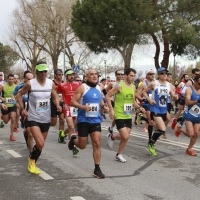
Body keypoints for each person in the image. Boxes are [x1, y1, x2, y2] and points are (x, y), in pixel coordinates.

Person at [17, 62, 62, 175]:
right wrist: (22, 109)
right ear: (36, 72)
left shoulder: (50, 83)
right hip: (33, 117)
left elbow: (54, 96)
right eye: (41, 71)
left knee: (40, 144)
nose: (43, 73)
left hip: (45, 118)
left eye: (45, 71)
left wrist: (57, 105)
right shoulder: (30, 84)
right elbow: (19, 94)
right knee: (40, 143)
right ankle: (32, 162)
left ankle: (32, 158)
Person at [70, 68, 109, 178]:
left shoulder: (100, 87)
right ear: (86, 77)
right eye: (92, 74)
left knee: (96, 142)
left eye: (96, 74)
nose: (94, 76)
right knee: (82, 146)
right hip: (83, 120)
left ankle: (97, 169)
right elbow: (72, 102)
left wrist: (104, 106)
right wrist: (83, 107)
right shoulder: (82, 88)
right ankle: (73, 140)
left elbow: (100, 99)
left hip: (96, 120)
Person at [106, 68, 145, 163]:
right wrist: (111, 109)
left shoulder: (133, 87)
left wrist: (139, 108)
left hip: (128, 115)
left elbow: (132, 102)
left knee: (126, 137)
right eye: (131, 75)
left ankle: (119, 154)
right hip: (119, 114)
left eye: (134, 76)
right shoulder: (119, 86)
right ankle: (111, 137)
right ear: (126, 75)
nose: (132, 78)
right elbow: (108, 96)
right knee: (126, 136)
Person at [143, 67, 177, 156]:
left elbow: (172, 96)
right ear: (159, 75)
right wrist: (150, 100)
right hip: (155, 109)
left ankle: (151, 143)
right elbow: (144, 92)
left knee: (158, 130)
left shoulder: (169, 85)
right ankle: (151, 144)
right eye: (162, 73)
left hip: (164, 109)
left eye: (166, 73)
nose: (164, 74)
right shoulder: (154, 84)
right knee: (163, 129)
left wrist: (175, 97)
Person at [56, 69, 81, 155]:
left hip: (75, 107)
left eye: (73, 75)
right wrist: (59, 99)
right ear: (66, 76)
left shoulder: (77, 84)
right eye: (70, 75)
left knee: (73, 126)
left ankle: (62, 134)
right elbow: (54, 93)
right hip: (67, 107)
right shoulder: (62, 85)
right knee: (71, 126)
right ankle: (73, 145)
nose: (72, 76)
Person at [176, 75, 200, 156]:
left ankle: (189, 149)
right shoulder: (189, 90)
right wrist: (197, 101)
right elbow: (187, 102)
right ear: (195, 81)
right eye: (199, 83)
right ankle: (180, 128)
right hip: (189, 114)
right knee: (191, 134)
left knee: (196, 134)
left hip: (198, 115)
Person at [13, 70, 34, 151]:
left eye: (32, 79)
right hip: (24, 111)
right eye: (29, 79)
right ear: (24, 79)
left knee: (29, 132)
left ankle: (27, 137)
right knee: (30, 133)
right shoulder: (19, 87)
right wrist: (19, 106)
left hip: (34, 112)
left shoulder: (36, 87)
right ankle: (31, 151)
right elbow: (14, 96)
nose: (31, 81)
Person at [135, 69, 155, 141]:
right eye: (150, 74)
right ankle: (150, 139)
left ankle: (141, 117)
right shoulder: (144, 84)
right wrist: (143, 100)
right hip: (146, 103)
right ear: (147, 75)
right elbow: (136, 94)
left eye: (153, 74)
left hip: (153, 104)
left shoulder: (155, 83)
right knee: (150, 121)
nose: (152, 75)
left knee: (153, 121)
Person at [0, 74, 17, 141]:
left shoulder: (16, 87)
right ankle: (4, 116)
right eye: (10, 79)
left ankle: (11, 135)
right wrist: (2, 98)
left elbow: (18, 95)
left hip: (12, 106)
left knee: (13, 119)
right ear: (7, 79)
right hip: (5, 106)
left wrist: (15, 99)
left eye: (12, 79)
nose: (11, 80)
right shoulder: (3, 86)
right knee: (6, 122)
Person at [50, 69, 65, 144]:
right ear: (55, 75)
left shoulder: (63, 83)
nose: (61, 76)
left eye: (62, 74)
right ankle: (42, 125)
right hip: (53, 103)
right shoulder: (52, 83)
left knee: (62, 120)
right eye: (59, 74)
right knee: (53, 123)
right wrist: (57, 101)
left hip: (62, 103)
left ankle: (61, 137)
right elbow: (53, 96)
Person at [106, 70, 122, 134]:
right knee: (117, 116)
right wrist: (110, 97)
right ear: (115, 75)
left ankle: (111, 127)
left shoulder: (124, 83)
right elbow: (106, 90)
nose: (120, 75)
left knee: (119, 117)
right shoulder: (112, 83)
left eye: (121, 74)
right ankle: (119, 130)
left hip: (122, 102)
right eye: (118, 74)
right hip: (115, 102)